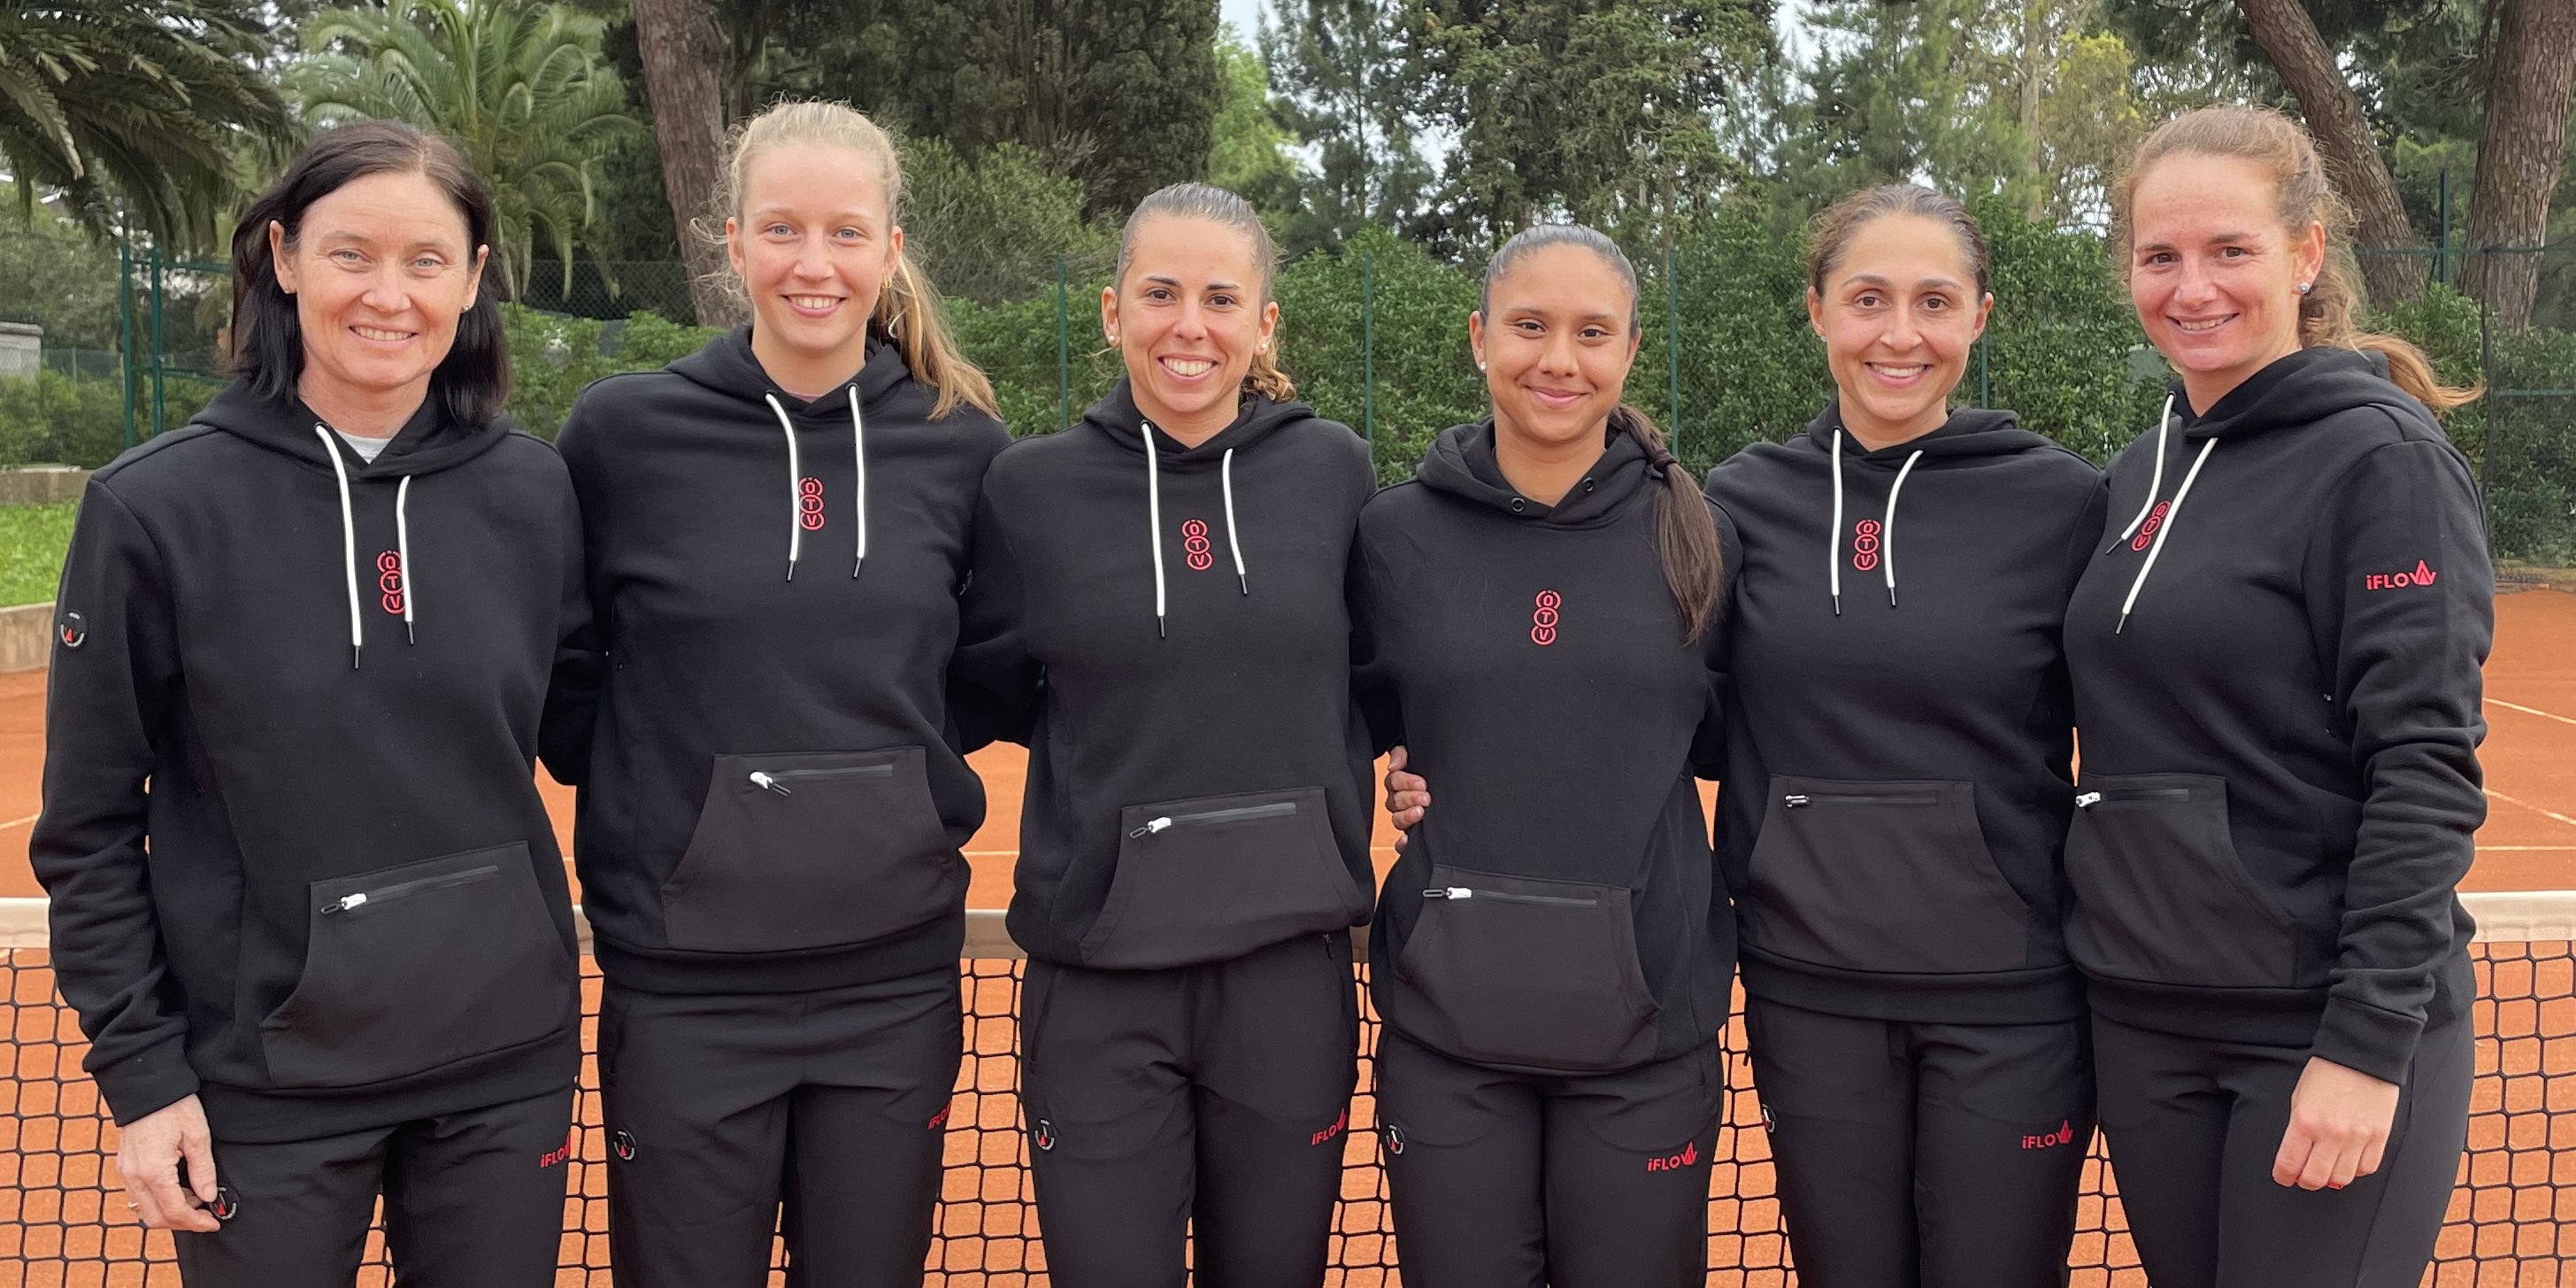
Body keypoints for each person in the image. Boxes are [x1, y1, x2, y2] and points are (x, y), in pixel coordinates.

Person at [33, 120, 585, 1286]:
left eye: (427, 260)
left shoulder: (537, 492)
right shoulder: (153, 509)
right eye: (350, 254)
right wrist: (145, 1080)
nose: (389, 295)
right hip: (259, 1085)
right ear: (283, 258)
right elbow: (87, 828)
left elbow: (606, 727)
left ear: (473, 279)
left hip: (503, 1067)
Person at [540, 101, 1010, 1288]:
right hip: (683, 988)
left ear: (888, 249)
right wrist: (687, 806)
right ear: (732, 241)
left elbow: (990, 667)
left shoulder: (963, 445)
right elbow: (566, 675)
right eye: (783, 229)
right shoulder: (621, 433)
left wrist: (883, 790)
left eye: (846, 232)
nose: (814, 263)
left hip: (893, 983)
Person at [2064, 104, 2489, 1288]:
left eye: (2228, 250)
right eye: (2159, 255)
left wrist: (2364, 1042)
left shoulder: (2382, 463)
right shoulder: (2138, 471)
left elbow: (2422, 765)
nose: (2190, 287)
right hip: (2147, 1018)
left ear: (2304, 254)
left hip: (2316, 1027)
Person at [950, 182, 1378, 1288]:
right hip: (1099, 987)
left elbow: (1378, 678)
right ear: (1112, 311)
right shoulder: (1027, 489)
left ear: (1263, 325)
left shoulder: (1334, 471)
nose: (1190, 326)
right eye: (1160, 294)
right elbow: (983, 692)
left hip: (1287, 983)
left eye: (1221, 299)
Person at [1699, 184, 2105, 1286]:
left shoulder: (2064, 503)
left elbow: (2143, 713)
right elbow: (1677, 715)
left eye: (1933, 301)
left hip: (2012, 998)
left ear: (1978, 317)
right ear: (1818, 310)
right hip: (1808, 990)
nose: (1899, 334)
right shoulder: (1738, 503)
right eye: (1867, 299)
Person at [1349, 223, 1735, 1288]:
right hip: (1446, 1030)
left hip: (1647, 1029)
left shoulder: (1703, 536)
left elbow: (1726, 739)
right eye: (1528, 325)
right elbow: (1351, 714)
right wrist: (1402, 773)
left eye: (1591, 332)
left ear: (1630, 350)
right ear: (1479, 338)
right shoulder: (1390, 536)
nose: (1558, 359)